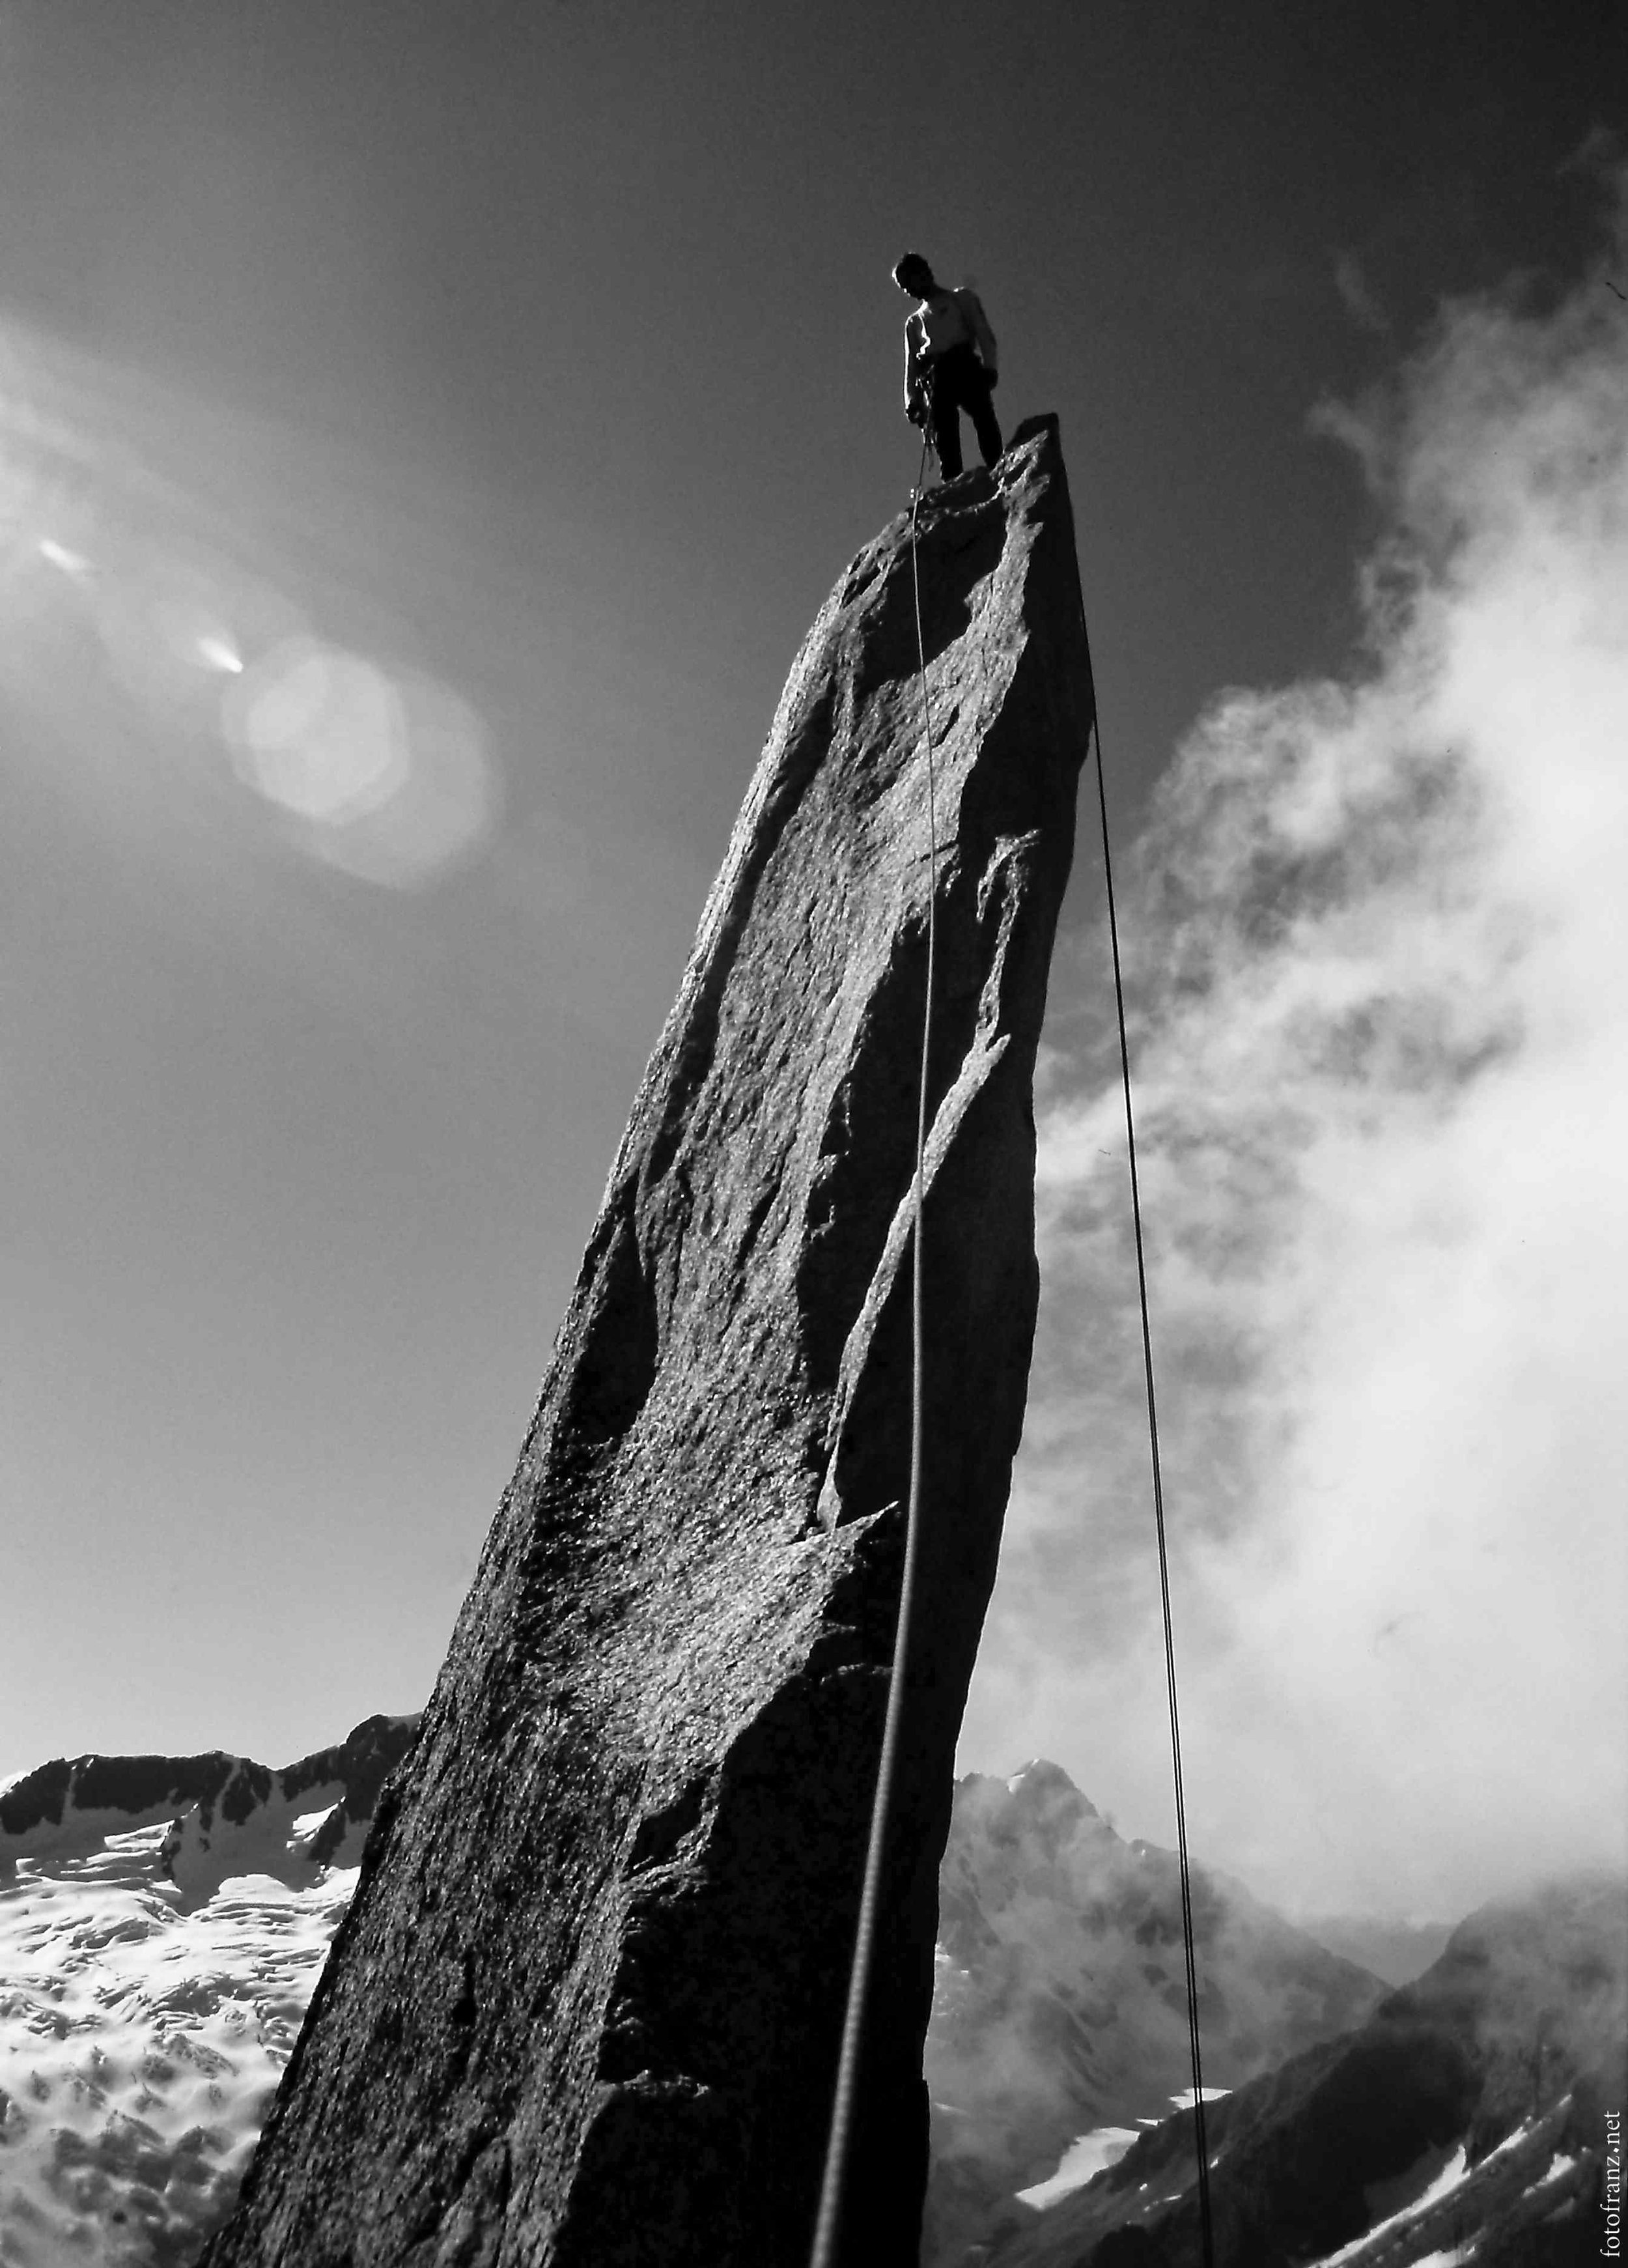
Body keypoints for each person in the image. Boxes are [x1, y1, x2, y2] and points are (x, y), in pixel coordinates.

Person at [893, 251, 1002, 479]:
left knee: (984, 417)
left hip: (965, 364)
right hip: (937, 377)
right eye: (903, 287)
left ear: (922, 273)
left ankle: (998, 465)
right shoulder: (914, 323)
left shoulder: (961, 299)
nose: (907, 290)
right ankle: (952, 480)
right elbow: (911, 368)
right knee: (945, 433)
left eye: (908, 282)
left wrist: (991, 367)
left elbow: (984, 334)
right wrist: (912, 402)